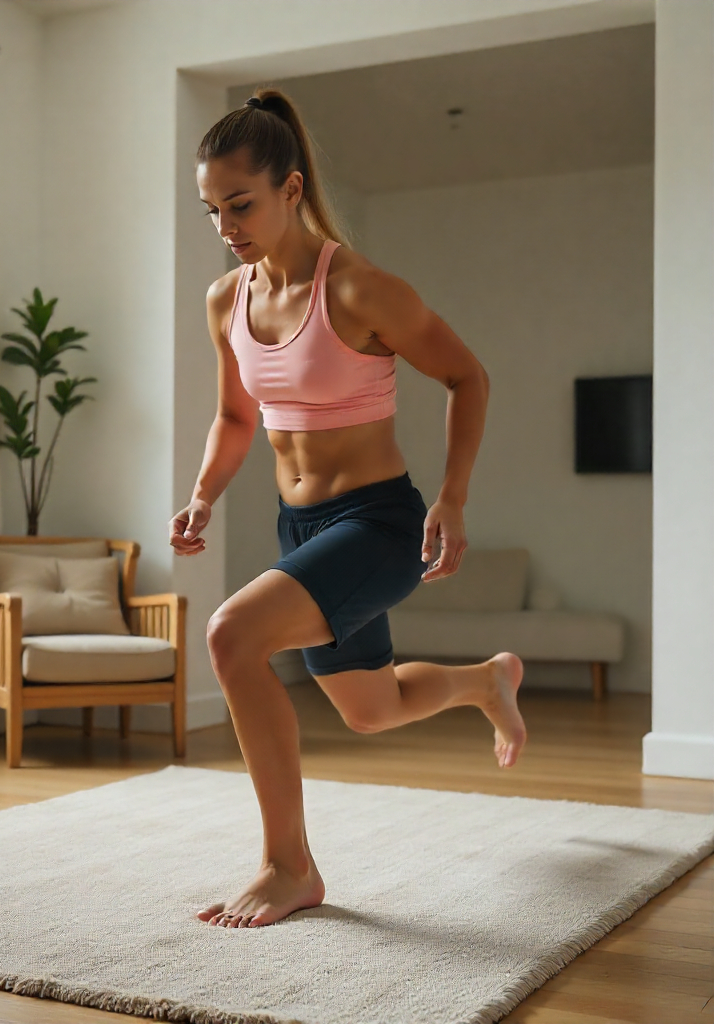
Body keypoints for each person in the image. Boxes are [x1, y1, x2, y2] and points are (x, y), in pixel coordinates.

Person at [168, 87, 527, 931]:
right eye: (212, 209)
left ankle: (288, 866)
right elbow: (235, 418)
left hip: (379, 526)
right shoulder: (228, 301)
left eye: (241, 203)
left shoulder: (360, 289)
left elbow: (467, 376)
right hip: (302, 530)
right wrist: (202, 495)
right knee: (372, 711)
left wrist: (454, 496)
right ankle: (486, 680)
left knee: (230, 636)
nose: (226, 225)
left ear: (291, 190)